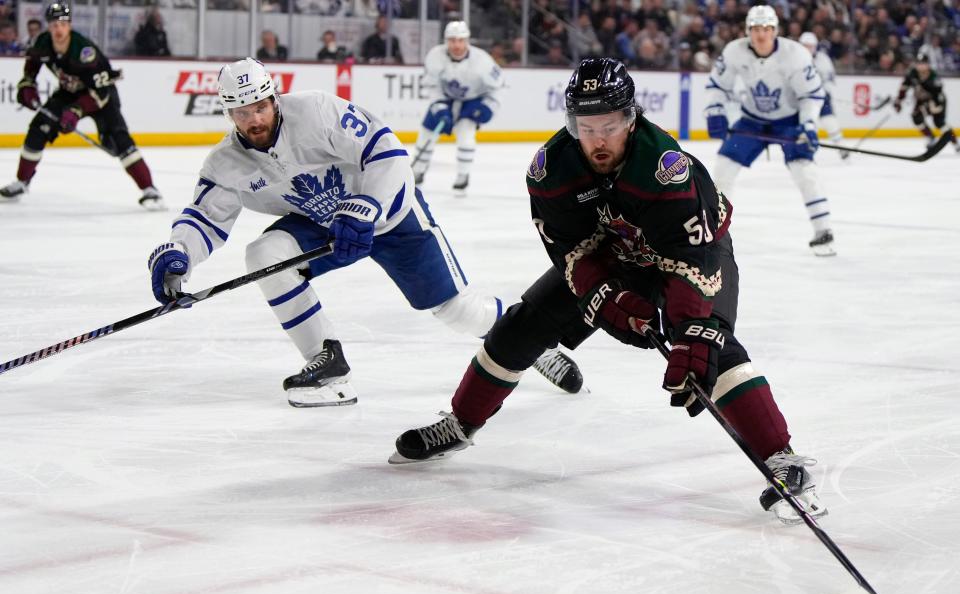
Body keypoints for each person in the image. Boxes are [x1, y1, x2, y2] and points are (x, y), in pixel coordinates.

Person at [389, 57, 828, 526]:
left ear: (631, 118)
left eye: (611, 124)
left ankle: (783, 460)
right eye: (586, 125)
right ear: (570, 122)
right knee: (522, 326)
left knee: (707, 347)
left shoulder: (666, 167)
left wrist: (693, 325)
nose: (598, 138)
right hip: (615, 256)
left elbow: (693, 258)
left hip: (690, 257)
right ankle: (460, 423)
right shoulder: (550, 171)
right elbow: (573, 254)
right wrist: (606, 298)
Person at [147, 58, 583, 409]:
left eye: (260, 105)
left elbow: (387, 151)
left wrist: (365, 207)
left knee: (459, 312)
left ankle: (533, 341)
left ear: (274, 98)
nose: (254, 118)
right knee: (264, 255)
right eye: (242, 112)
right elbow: (205, 218)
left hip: (392, 214)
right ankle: (329, 366)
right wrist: (177, 255)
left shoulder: (316, 111)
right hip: (325, 227)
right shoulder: (226, 162)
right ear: (229, 113)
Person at [0, 2, 164, 209]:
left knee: (120, 139)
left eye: (62, 24)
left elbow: (102, 90)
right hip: (68, 93)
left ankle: (150, 190)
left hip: (101, 97)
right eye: (53, 25)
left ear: (69, 25)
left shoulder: (84, 50)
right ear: (48, 26)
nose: (58, 29)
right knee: (38, 128)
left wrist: (76, 111)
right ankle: (21, 182)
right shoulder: (42, 43)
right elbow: (30, 70)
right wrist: (27, 87)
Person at [704, 5, 834, 256]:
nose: (761, 35)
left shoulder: (795, 55)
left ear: (775, 30)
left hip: (789, 120)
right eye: (755, 29)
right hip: (752, 120)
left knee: (804, 171)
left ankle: (823, 230)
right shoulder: (734, 51)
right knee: (723, 167)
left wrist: (808, 124)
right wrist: (714, 109)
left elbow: (811, 95)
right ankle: (713, 229)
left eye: (766, 29)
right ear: (747, 31)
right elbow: (717, 85)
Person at [410, 21, 504, 195]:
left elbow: (497, 87)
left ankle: (463, 176)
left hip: (474, 100)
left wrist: (488, 108)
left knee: (466, 133)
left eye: (461, 40)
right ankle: (418, 171)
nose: (457, 45)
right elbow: (432, 86)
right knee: (426, 132)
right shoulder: (435, 56)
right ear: (446, 40)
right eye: (452, 40)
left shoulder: (482, 60)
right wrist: (439, 107)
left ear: (467, 41)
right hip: (446, 99)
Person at [893, 52, 960, 153]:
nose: (921, 66)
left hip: (936, 100)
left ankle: (955, 143)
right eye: (919, 63)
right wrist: (899, 101)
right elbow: (904, 88)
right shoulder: (912, 73)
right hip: (922, 100)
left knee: (939, 123)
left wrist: (923, 88)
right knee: (916, 117)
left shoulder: (933, 76)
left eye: (923, 63)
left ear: (928, 64)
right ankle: (930, 137)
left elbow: (937, 91)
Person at [799, 32, 846, 159]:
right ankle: (802, 150)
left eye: (810, 46)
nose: (808, 49)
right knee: (804, 124)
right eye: (805, 46)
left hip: (820, 96)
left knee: (829, 121)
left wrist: (824, 92)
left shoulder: (823, 59)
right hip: (800, 98)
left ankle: (841, 147)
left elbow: (830, 79)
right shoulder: (794, 59)